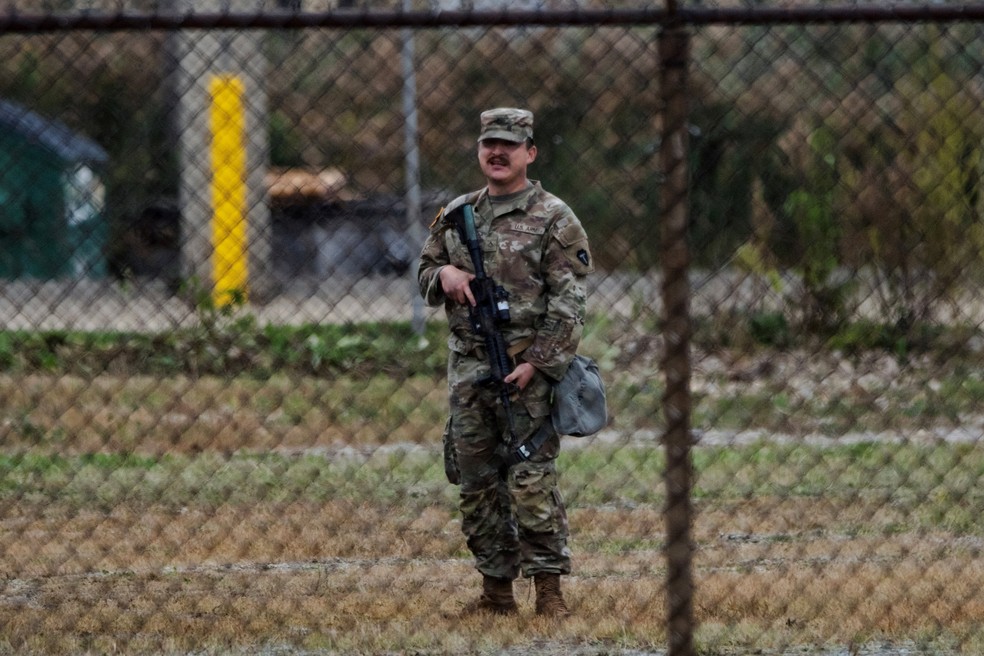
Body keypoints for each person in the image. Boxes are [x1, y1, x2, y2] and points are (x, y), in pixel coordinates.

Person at [418, 108, 594, 618]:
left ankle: (550, 593)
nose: (497, 153)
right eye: (489, 144)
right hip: (469, 371)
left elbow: (569, 303)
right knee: (476, 484)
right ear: (479, 150)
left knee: (530, 482)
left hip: (526, 373)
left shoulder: (555, 217)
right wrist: (445, 274)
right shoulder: (457, 213)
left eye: (509, 145)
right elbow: (424, 271)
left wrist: (538, 364)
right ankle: (496, 594)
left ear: (529, 153)